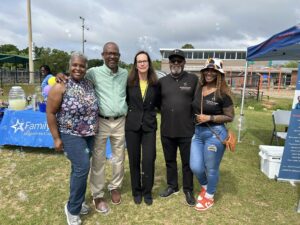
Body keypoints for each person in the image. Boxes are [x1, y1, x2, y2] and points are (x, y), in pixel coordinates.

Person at [56, 42, 127, 213]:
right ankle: (98, 194)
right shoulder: (94, 72)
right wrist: (60, 75)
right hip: (100, 121)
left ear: (119, 56)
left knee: (119, 157)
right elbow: (76, 73)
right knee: (98, 159)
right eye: (108, 53)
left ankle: (115, 186)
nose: (112, 56)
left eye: (115, 53)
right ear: (103, 55)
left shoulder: (125, 73)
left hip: (120, 121)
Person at [47, 52, 99, 225]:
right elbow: (50, 112)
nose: (78, 68)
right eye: (75, 65)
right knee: (82, 167)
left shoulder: (89, 84)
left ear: (86, 68)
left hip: (89, 135)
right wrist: (56, 138)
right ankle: (72, 210)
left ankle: (76, 201)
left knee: (79, 170)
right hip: (70, 135)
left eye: (82, 65)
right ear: (70, 66)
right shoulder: (60, 86)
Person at [190, 58, 234, 211]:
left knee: (212, 168)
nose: (209, 73)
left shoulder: (223, 93)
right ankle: (206, 186)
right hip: (197, 132)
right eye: (207, 70)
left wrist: (210, 118)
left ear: (218, 74)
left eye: (213, 71)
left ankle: (209, 197)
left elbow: (230, 116)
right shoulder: (199, 88)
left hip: (214, 134)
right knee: (195, 166)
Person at [157, 49, 198, 206]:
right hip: (167, 129)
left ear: (184, 62)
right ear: (169, 63)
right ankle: (172, 186)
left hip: (187, 129)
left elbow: (197, 102)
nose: (176, 63)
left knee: (187, 162)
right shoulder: (162, 82)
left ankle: (188, 189)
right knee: (170, 160)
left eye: (179, 61)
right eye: (173, 61)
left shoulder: (193, 80)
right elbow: (158, 104)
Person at [125, 51, 158, 205]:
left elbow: (159, 104)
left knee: (149, 159)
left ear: (149, 63)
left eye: (145, 61)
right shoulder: (129, 83)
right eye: (139, 61)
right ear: (136, 64)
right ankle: (136, 191)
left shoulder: (156, 84)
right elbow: (125, 101)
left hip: (149, 126)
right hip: (132, 126)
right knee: (134, 160)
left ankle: (147, 191)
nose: (142, 64)